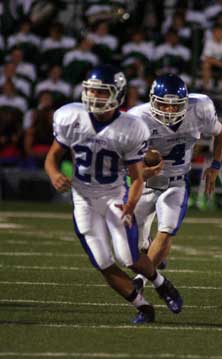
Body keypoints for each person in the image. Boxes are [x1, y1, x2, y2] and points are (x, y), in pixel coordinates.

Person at [44, 65, 183, 324]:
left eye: (101, 92)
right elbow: (52, 156)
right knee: (102, 261)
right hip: (83, 199)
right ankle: (143, 307)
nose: (94, 97)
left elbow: (137, 176)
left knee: (128, 257)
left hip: (113, 197)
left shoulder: (130, 127)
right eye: (92, 91)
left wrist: (130, 203)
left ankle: (163, 284)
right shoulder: (70, 116)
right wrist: (53, 174)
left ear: (117, 95)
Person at [128, 74, 222, 290]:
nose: (169, 111)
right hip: (145, 182)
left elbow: (219, 133)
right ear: (153, 100)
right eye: (163, 104)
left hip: (176, 182)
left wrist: (215, 166)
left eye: (175, 106)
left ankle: (141, 280)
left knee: (167, 229)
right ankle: (149, 249)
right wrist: (143, 166)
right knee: (132, 244)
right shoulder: (137, 118)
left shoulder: (200, 109)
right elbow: (124, 160)